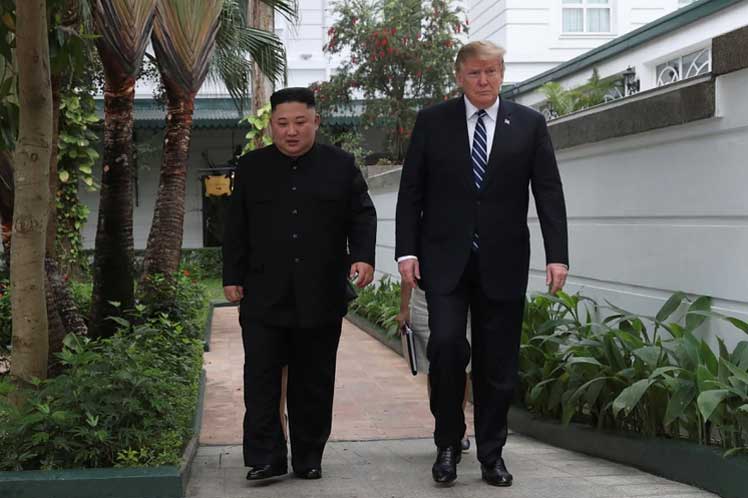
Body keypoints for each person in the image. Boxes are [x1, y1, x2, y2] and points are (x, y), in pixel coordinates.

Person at [395, 41, 569, 487]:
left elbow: (547, 191)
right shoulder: (433, 122)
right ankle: (448, 443)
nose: (485, 80)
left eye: (492, 71)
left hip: (504, 260)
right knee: (448, 347)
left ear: (502, 73)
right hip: (444, 261)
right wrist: (407, 251)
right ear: (459, 76)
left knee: (498, 364)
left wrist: (557, 255)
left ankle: (492, 454)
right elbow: (411, 190)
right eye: (475, 72)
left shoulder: (528, 124)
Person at [223, 87, 377, 481]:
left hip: (321, 292)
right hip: (262, 293)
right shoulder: (252, 167)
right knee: (260, 379)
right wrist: (232, 277)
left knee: (314, 379)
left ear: (315, 122)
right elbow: (235, 227)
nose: (291, 131)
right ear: (272, 125)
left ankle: (309, 456)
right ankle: (265, 458)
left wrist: (362, 255)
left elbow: (362, 215)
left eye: (300, 122)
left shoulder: (341, 165)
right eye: (282, 123)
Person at [396, 281, 471, 452]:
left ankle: (457, 426)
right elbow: (407, 262)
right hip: (425, 297)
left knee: (462, 366)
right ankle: (444, 425)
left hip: (463, 294)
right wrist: (404, 308)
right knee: (435, 367)